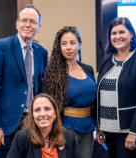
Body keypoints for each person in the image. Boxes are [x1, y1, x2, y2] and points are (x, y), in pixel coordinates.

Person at [0, 4, 48, 158]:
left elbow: (41, 89)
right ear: (17, 24)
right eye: (24, 20)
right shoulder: (1, 47)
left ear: (38, 27)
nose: (28, 24)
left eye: (33, 22)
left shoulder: (41, 53)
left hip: (33, 124)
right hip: (5, 127)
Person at [96, 17, 136, 158]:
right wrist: (100, 127)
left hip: (131, 129)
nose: (117, 37)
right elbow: (101, 94)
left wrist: (134, 132)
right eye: (113, 33)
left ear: (131, 34)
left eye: (122, 32)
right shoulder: (107, 59)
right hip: (109, 129)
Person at [40, 26, 97, 158]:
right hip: (64, 128)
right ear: (59, 47)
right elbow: (47, 103)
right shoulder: (52, 72)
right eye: (64, 44)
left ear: (80, 44)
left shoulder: (88, 69)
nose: (68, 47)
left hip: (88, 128)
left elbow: (95, 100)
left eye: (72, 43)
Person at [7, 93, 82, 158]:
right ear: (32, 115)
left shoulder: (69, 137)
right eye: (37, 110)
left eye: (47, 109)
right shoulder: (22, 138)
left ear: (55, 114)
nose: (42, 114)